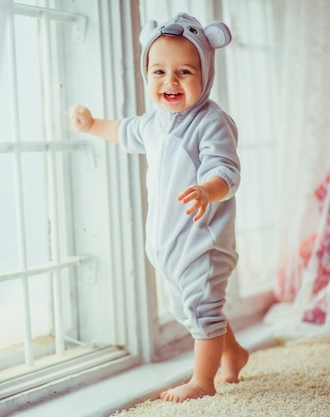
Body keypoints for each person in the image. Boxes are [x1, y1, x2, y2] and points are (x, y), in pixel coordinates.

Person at [70, 12, 248, 403]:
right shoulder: (154, 123)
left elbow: (226, 170)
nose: (170, 81)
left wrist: (207, 190)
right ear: (146, 73)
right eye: (159, 72)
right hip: (168, 241)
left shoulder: (211, 122)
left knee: (202, 307)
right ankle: (233, 352)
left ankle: (203, 380)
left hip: (204, 239)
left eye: (184, 71)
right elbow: (122, 131)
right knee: (193, 309)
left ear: (205, 73)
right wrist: (91, 124)